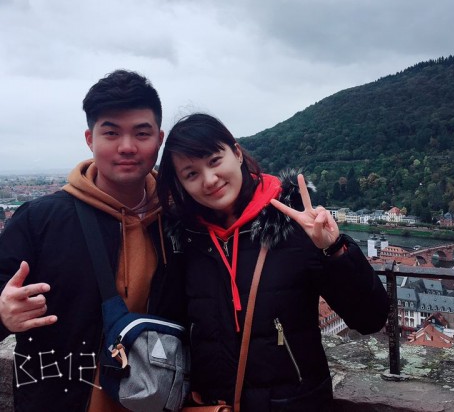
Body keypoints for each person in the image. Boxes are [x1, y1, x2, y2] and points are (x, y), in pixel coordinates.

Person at [156, 112, 390, 412]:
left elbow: (371, 319)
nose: (209, 180)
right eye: (191, 174)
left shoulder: (296, 224)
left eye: (214, 160)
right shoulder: (184, 240)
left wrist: (334, 249)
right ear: (180, 184)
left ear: (237, 153)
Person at [0, 70, 185, 412]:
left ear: (159, 139)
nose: (127, 147)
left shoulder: (180, 219)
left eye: (141, 133)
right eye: (111, 132)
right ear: (90, 138)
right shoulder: (40, 220)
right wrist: (2, 312)